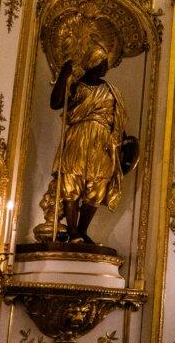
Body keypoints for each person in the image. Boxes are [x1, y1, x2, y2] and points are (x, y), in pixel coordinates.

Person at [41, 42, 137, 245]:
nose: (105, 68)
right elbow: (56, 103)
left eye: (106, 64)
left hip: (103, 143)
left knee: (98, 187)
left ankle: (82, 230)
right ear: (91, 62)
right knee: (71, 182)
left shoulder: (111, 90)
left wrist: (122, 146)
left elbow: (117, 120)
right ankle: (73, 230)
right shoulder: (75, 85)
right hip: (78, 138)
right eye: (101, 63)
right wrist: (63, 76)